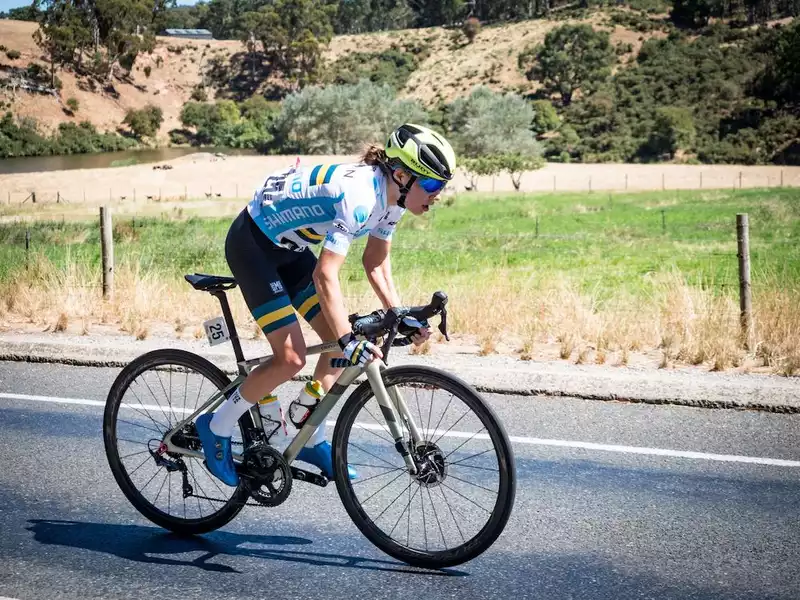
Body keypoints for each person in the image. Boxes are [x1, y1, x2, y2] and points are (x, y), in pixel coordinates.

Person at [196, 123, 457, 486]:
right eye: (431, 185)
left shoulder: (394, 198)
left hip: (290, 251)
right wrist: (350, 339)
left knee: (337, 346)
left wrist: (400, 315)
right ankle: (216, 425)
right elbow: (325, 275)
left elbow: (376, 262)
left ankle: (309, 436)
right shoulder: (361, 197)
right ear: (401, 175)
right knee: (293, 357)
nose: (438, 194)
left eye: (441, 186)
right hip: (253, 246)